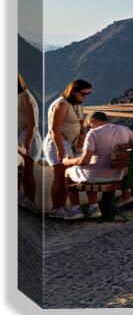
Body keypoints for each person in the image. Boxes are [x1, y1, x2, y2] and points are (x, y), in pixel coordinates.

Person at [63, 111, 133, 220]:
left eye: (90, 126)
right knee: (87, 170)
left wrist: (68, 162)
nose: (90, 128)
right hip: (117, 175)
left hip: (97, 176)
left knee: (68, 172)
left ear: (93, 121)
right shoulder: (124, 129)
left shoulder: (94, 133)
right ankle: (92, 207)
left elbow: (84, 160)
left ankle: (77, 209)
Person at [44, 79, 89, 218]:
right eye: (82, 94)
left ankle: (64, 207)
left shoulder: (77, 104)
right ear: (73, 91)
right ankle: (56, 209)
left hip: (73, 144)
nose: (85, 97)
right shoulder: (61, 105)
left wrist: (83, 136)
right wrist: (60, 150)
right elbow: (54, 130)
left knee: (67, 176)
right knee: (60, 177)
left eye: (88, 94)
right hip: (59, 144)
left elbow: (82, 122)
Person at [17, 74, 40, 210]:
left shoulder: (24, 97)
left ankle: (30, 201)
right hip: (23, 136)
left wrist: (27, 143)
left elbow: (32, 124)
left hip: (29, 137)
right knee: (24, 171)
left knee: (27, 171)